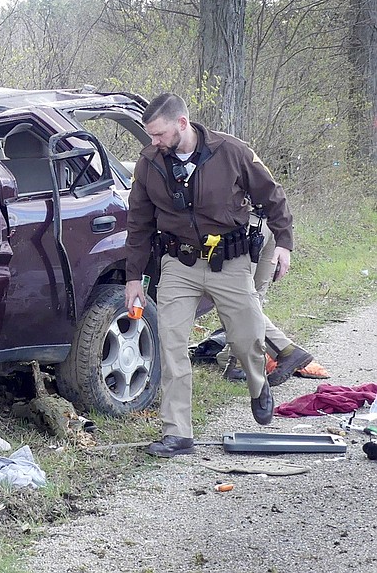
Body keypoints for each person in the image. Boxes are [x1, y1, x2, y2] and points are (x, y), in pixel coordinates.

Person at [124, 93, 296, 458]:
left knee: (246, 337)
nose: (153, 142)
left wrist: (284, 241)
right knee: (170, 345)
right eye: (150, 136)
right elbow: (138, 225)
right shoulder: (149, 164)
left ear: (182, 124)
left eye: (158, 134)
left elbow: (272, 196)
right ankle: (177, 432)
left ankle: (258, 383)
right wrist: (133, 278)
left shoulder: (231, 151)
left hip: (230, 263)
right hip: (178, 264)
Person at [217, 208, 314, 384]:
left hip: (246, 225)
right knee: (252, 298)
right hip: (270, 223)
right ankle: (236, 361)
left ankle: (286, 351)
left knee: (234, 299)